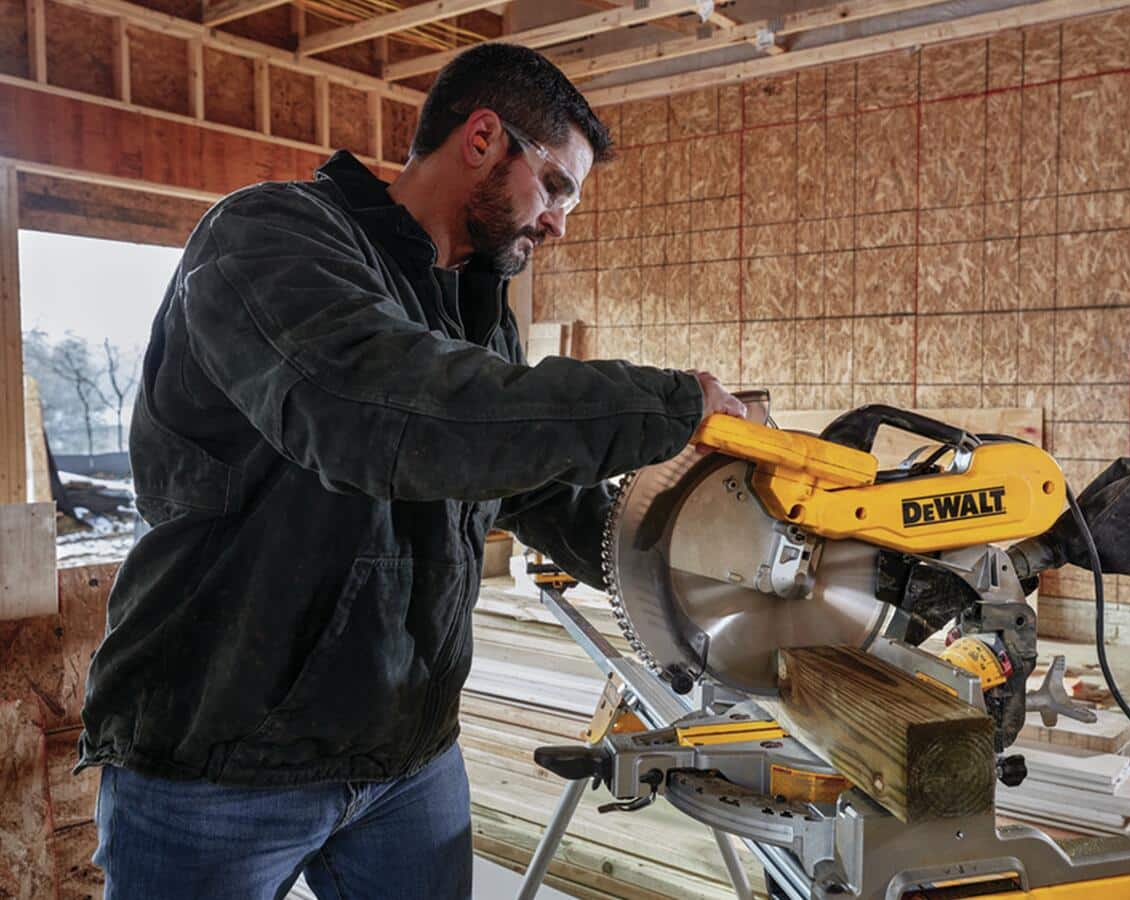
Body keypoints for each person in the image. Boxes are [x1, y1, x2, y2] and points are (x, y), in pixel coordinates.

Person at [79, 43, 744, 900]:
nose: (559, 223)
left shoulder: (474, 308)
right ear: (481, 139)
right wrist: (672, 407)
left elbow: (538, 487)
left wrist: (708, 577)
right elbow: (378, 410)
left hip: (407, 757)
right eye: (555, 187)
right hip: (218, 753)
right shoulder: (270, 237)